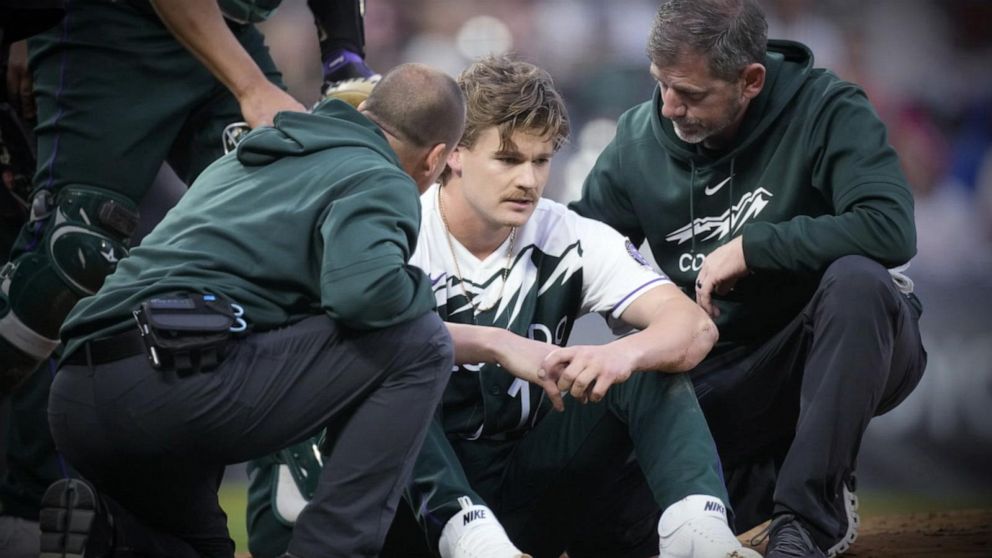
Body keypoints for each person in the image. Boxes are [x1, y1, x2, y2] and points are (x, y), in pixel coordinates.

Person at [246, 55, 762, 558]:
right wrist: (495, 346)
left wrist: (622, 356)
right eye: (509, 158)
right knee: (383, 362)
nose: (529, 181)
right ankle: (470, 536)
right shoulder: (393, 226)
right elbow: (339, 345)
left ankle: (698, 534)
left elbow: (693, 328)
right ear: (453, 154)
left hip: (516, 501)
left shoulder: (566, 235)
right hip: (391, 509)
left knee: (650, 366)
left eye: (541, 161)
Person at [39, 63, 466, 558]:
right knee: (421, 341)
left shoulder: (246, 156)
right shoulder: (380, 175)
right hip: (172, 388)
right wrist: (426, 295)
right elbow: (363, 294)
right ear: (436, 159)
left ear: (363, 110)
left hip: (77, 392)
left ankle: (110, 539)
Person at [0, 1, 378, 554]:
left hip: (229, 27)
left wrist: (346, 56)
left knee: (288, 241)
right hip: (110, 27)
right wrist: (250, 86)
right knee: (72, 254)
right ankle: (32, 512)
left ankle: (245, 525)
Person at [569, 1, 927, 557]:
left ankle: (809, 520)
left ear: (751, 80)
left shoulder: (828, 107)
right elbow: (575, 251)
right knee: (606, 517)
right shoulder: (636, 141)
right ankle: (760, 489)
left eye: (690, 94)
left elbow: (890, 229)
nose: (669, 107)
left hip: (845, 342)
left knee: (859, 282)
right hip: (727, 366)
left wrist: (757, 246)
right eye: (661, 85)